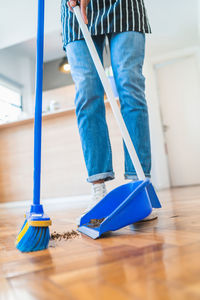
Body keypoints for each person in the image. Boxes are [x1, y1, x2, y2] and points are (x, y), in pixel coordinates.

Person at [61, 0, 157, 222]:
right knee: (86, 92)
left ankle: (137, 186)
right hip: (75, 11)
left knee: (130, 86)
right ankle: (98, 190)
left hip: (124, 6)